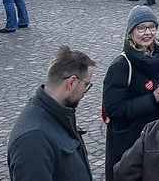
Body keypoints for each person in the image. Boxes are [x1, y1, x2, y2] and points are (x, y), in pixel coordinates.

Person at [102, 5, 159, 180]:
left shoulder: (157, 58)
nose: (148, 32)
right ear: (131, 32)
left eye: (152, 27)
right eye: (141, 28)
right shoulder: (121, 65)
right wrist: (152, 98)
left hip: (153, 135)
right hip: (128, 141)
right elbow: (114, 109)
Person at [7, 46, 96, 181]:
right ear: (72, 82)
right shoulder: (33, 139)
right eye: (86, 85)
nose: (85, 92)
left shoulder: (58, 114)